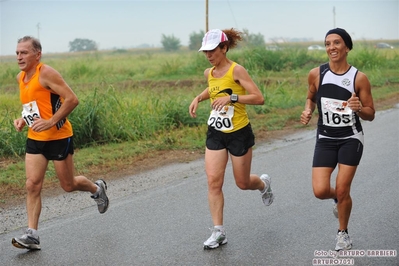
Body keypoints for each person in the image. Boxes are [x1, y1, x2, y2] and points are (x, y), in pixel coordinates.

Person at [11, 36, 109, 251]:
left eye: (24, 52)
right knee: (32, 184)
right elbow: (32, 106)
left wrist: (51, 122)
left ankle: (97, 189)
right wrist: (23, 119)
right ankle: (32, 235)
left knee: (68, 185)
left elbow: (72, 99)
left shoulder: (46, 72)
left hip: (58, 137)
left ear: (37, 55)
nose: (19, 56)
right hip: (35, 139)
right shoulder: (21, 77)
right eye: (18, 52)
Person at [189, 28, 274, 250]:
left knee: (242, 182)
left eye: (212, 50)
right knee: (213, 181)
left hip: (238, 133)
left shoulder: (238, 71)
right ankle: (219, 232)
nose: (208, 55)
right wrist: (198, 97)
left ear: (224, 48)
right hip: (216, 132)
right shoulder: (209, 73)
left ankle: (263, 184)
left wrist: (232, 98)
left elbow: (259, 98)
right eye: (205, 51)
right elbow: (213, 89)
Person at [300, 28, 375, 251]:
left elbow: (371, 113)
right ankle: (338, 200)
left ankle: (343, 233)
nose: (331, 47)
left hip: (351, 137)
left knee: (343, 188)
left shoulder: (358, 78)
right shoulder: (316, 74)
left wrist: (359, 108)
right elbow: (310, 97)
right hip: (325, 137)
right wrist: (307, 110)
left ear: (347, 47)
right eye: (327, 44)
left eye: (336, 43)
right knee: (320, 191)